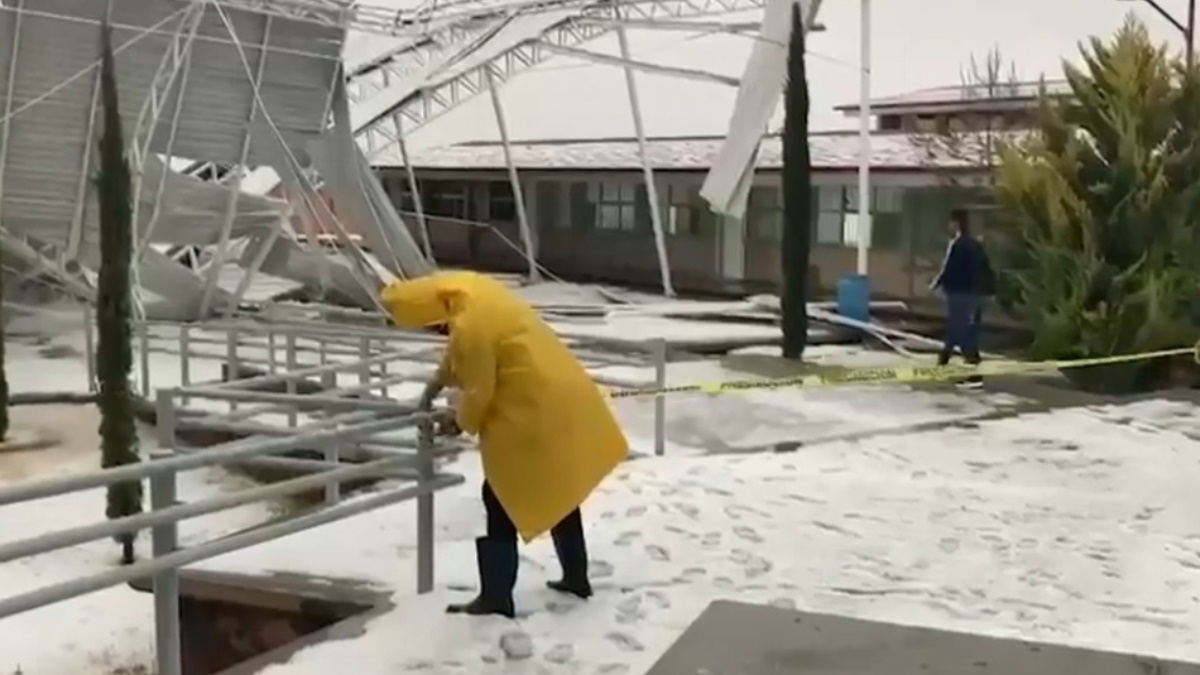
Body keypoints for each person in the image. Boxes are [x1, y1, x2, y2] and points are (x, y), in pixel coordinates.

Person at [381, 271, 629, 619]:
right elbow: (460, 353)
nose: (435, 332)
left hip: (531, 412)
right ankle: (576, 578)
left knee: (499, 498)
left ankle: (496, 597)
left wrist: (459, 422)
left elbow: (480, 389)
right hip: (559, 399)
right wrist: (434, 386)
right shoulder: (478, 295)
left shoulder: (471, 325)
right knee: (559, 490)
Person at [930, 209, 991, 388]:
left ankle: (974, 376)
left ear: (956, 223)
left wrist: (937, 285)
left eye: (951, 222)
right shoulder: (974, 244)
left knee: (963, 334)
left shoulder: (959, 244)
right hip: (973, 295)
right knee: (957, 330)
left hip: (961, 295)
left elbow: (950, 269)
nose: (949, 226)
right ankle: (942, 365)